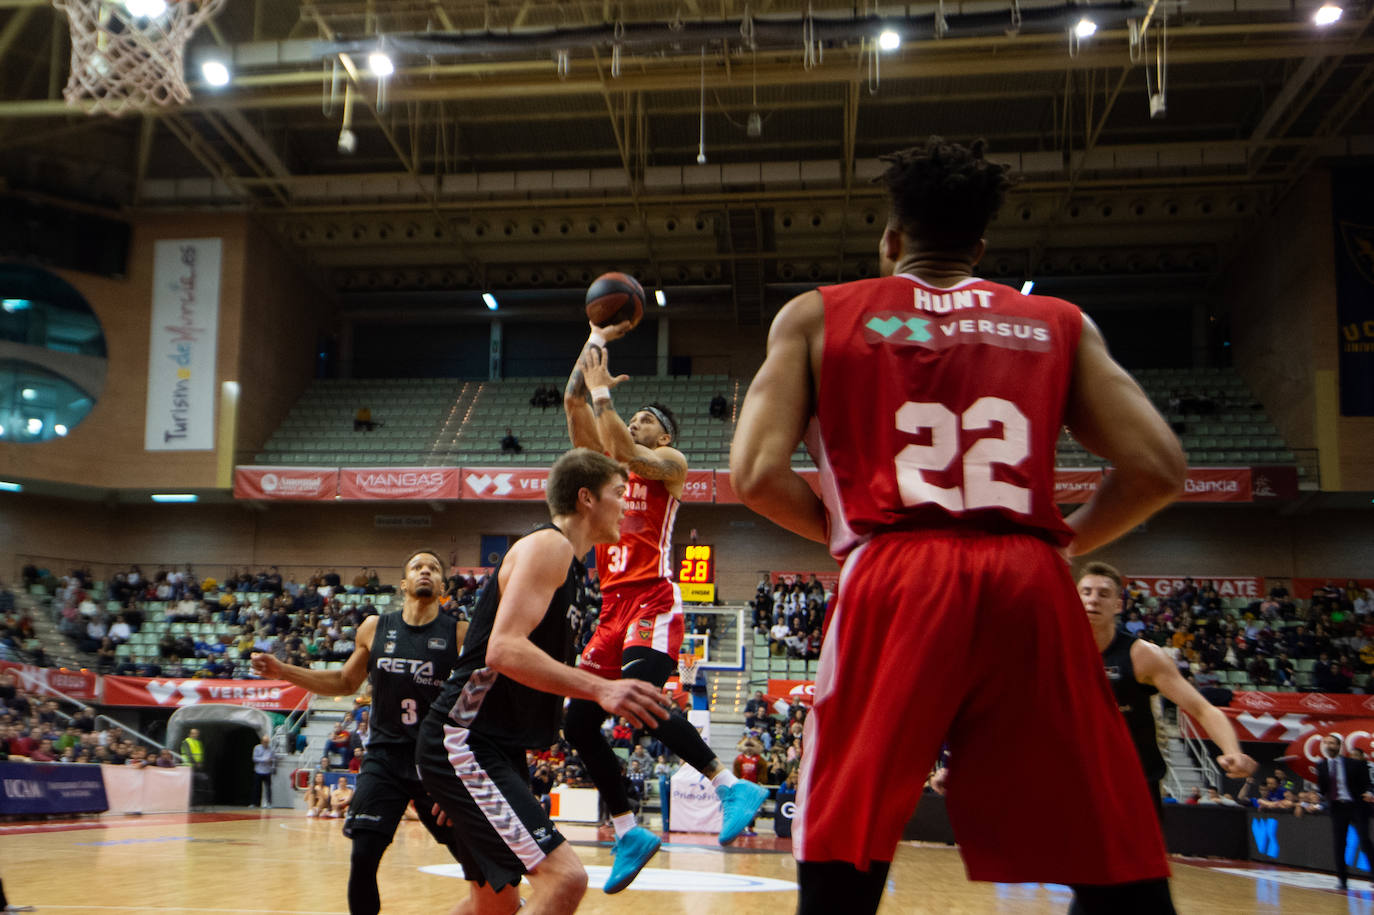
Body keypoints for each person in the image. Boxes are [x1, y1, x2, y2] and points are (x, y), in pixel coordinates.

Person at [730, 137, 1186, 915]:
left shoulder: (816, 316)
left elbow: (754, 475)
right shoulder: (1056, 321)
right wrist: (1059, 538)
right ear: (980, 245)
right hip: (1029, 573)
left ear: (891, 239)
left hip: (893, 567)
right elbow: (1159, 467)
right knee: (1105, 825)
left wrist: (852, 534)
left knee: (848, 813)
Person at [416, 448, 674, 915]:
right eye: (619, 493)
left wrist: (457, 787)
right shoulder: (548, 546)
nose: (627, 503)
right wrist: (602, 688)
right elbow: (503, 649)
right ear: (587, 499)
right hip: (465, 741)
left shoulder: (576, 569)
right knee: (566, 880)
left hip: (487, 748)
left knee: (493, 905)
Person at [563, 333, 769, 891]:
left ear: (667, 433)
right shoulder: (603, 471)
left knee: (636, 702)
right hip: (610, 609)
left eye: (646, 417)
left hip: (652, 596)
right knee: (577, 721)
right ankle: (629, 829)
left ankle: (730, 785)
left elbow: (631, 453)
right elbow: (573, 406)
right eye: (633, 418)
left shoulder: (669, 464)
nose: (635, 423)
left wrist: (607, 398)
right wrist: (594, 340)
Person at [251, 548, 468, 915]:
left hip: (435, 760)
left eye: (433, 568)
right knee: (363, 854)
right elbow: (344, 680)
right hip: (384, 758)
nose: (426, 571)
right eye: (417, 566)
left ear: (443, 586)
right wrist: (283, 671)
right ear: (404, 583)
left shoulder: (459, 633)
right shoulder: (375, 627)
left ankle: (505, 900)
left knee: (472, 855)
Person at [1080, 561, 1257, 813]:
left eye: (1103, 593)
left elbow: (1203, 709)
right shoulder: (1057, 650)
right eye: (1086, 592)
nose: (1093, 599)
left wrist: (1233, 752)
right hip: (1079, 780)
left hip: (1135, 782)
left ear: (1118, 605)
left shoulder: (1143, 656)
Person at [1316, 733, 1374, 890]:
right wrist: (1317, 796)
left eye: (1332, 743)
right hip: (1337, 808)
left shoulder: (1354, 764)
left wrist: (1369, 793)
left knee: (1365, 840)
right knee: (1339, 844)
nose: (1329, 746)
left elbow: (1369, 784)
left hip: (1356, 806)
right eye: (1326, 742)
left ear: (1339, 746)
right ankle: (1342, 880)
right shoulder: (1321, 765)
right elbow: (1322, 789)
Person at [251, 735, 275, 808]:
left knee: (268, 788)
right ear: (262, 742)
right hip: (258, 770)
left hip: (267, 771)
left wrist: (271, 762)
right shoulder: (257, 748)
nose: (266, 744)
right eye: (265, 742)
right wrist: (264, 760)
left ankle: (269, 803)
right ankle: (255, 803)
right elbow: (255, 758)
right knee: (256, 788)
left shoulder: (271, 749)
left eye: (267, 742)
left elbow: (273, 759)